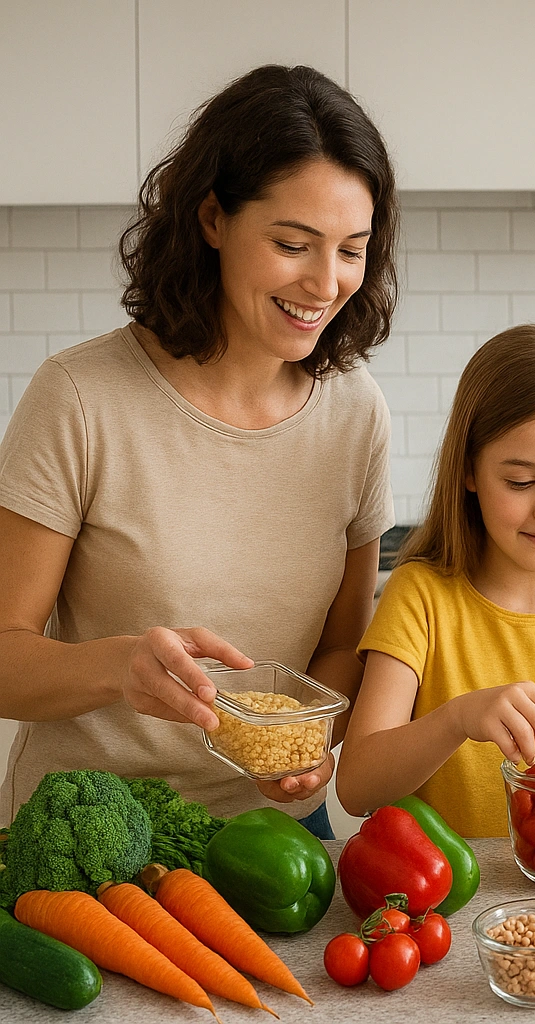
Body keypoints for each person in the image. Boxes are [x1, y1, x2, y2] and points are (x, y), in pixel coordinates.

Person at [0, 65, 399, 834]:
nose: (325, 283)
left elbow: (344, 645)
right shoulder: (81, 397)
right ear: (212, 218)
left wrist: (314, 742)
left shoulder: (356, 414)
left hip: (273, 840)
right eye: (293, 243)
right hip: (89, 838)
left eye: (352, 249)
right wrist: (117, 668)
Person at [335, 325, 535, 883]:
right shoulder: (421, 596)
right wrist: (459, 716)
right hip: (442, 903)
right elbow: (357, 784)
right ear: (468, 471)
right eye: (522, 481)